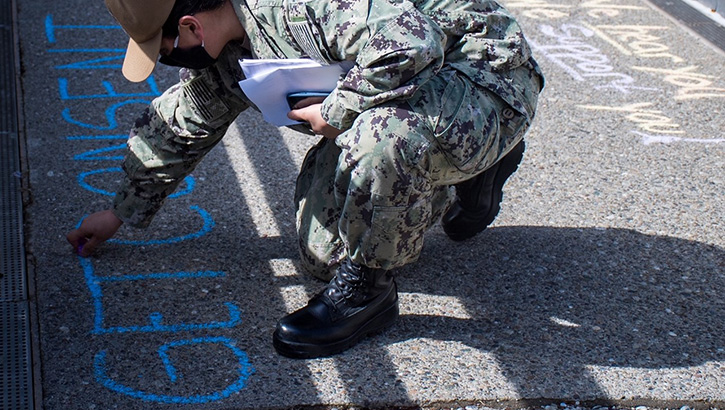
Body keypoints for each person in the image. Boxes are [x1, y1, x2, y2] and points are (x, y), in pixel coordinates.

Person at [66, 0, 544, 359]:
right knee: (325, 251)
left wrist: (337, 111)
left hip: (483, 76)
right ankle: (469, 169)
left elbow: (413, 41)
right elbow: (187, 117)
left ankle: (370, 292)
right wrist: (119, 211)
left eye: (166, 49)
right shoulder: (231, 39)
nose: (170, 60)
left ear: (191, 25)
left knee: (382, 141)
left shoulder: (300, 4)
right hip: (417, 84)